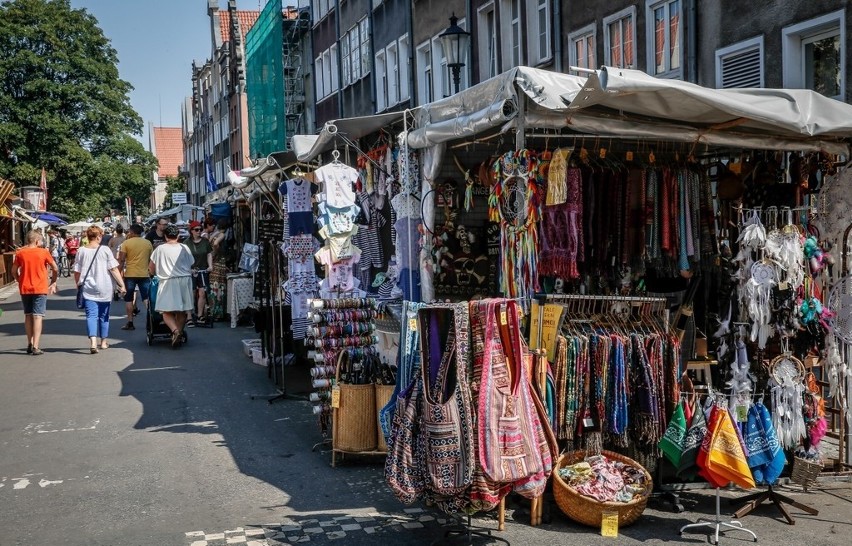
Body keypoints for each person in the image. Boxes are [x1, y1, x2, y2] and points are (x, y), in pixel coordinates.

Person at [74, 225, 126, 354]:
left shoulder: (81, 250)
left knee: (91, 315)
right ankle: (103, 342)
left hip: (88, 287)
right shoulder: (105, 250)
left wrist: (78, 284)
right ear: (98, 236)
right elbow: (113, 269)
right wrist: (122, 285)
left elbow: (77, 271)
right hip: (105, 287)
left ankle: (93, 342)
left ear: (87, 236)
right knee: (104, 316)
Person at [12, 230, 59, 355]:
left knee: (28, 315)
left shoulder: (20, 253)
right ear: (37, 241)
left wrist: (19, 280)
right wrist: (53, 281)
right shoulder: (43, 252)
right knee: (38, 316)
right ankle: (36, 346)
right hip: (40, 288)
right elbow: (55, 267)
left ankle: (29, 342)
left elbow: (13, 270)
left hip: (25, 288)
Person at [149, 224, 195, 348]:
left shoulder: (160, 249)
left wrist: (153, 274)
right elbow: (191, 263)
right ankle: (178, 332)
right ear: (178, 235)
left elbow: (151, 268)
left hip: (167, 281)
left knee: (165, 310)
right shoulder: (184, 247)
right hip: (184, 281)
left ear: (165, 236)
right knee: (182, 310)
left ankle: (175, 331)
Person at [118, 223, 153, 330]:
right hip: (144, 274)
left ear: (132, 232)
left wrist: (119, 274)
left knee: (128, 298)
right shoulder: (147, 243)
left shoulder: (126, 243)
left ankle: (130, 322)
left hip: (130, 274)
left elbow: (122, 260)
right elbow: (151, 259)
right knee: (146, 298)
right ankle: (151, 318)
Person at [184, 220, 213, 326]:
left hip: (202, 270)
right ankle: (189, 316)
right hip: (191, 270)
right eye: (196, 230)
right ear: (191, 231)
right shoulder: (186, 243)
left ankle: (200, 314)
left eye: (200, 229)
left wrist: (210, 266)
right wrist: (188, 268)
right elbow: (183, 258)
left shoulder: (205, 241)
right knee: (191, 293)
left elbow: (209, 254)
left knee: (202, 293)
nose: (199, 231)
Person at [208, 218, 231, 321]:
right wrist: (216, 252)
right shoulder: (222, 235)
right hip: (219, 262)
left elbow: (210, 241)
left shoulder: (214, 233)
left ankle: (213, 311)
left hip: (213, 262)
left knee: (214, 287)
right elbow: (216, 243)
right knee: (220, 287)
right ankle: (219, 313)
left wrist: (212, 254)